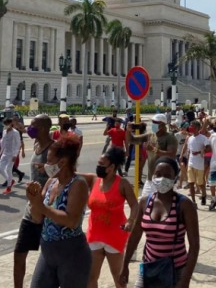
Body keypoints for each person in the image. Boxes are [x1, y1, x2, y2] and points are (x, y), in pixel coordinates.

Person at [120, 157, 199, 288]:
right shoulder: (145, 202)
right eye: (158, 174)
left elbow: (194, 246)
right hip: (149, 268)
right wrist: (125, 264)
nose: (162, 179)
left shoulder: (185, 205)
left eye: (168, 175)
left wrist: (185, 280)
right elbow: (135, 235)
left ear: (175, 177)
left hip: (175, 271)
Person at [26, 134, 91, 288]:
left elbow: (72, 221)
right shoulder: (51, 181)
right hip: (48, 252)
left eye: (49, 161)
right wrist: (33, 201)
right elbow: (37, 218)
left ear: (63, 162)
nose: (45, 165)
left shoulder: (77, 184)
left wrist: (41, 206)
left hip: (72, 254)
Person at [83, 148, 139, 288]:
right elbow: (69, 174)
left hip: (114, 237)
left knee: (118, 277)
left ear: (112, 167)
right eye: (98, 163)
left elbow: (134, 205)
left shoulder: (122, 184)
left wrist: (131, 221)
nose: (98, 167)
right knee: (90, 277)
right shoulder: (94, 180)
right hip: (94, 235)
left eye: (102, 164)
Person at [13, 115, 54, 288]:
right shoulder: (37, 145)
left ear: (43, 128)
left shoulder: (53, 150)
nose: (30, 129)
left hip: (47, 210)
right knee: (19, 253)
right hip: (30, 209)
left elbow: (62, 175)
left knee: (49, 258)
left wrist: (47, 168)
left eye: (33, 126)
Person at [186, 120, 210, 206]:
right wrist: (188, 161)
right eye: (190, 126)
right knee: (191, 183)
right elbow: (189, 151)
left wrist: (200, 151)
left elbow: (208, 148)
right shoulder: (190, 138)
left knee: (200, 183)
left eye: (192, 126)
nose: (191, 127)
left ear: (197, 128)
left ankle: (204, 195)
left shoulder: (203, 138)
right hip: (191, 164)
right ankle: (193, 201)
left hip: (200, 165)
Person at [0, 117, 21, 194]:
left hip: (12, 154)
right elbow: (2, 143)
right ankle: (10, 180)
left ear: (11, 124)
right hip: (5, 153)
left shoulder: (15, 132)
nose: (6, 125)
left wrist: (15, 155)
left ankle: (9, 187)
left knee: (8, 169)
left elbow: (18, 144)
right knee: (0, 169)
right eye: (5, 124)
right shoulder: (4, 132)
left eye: (7, 124)